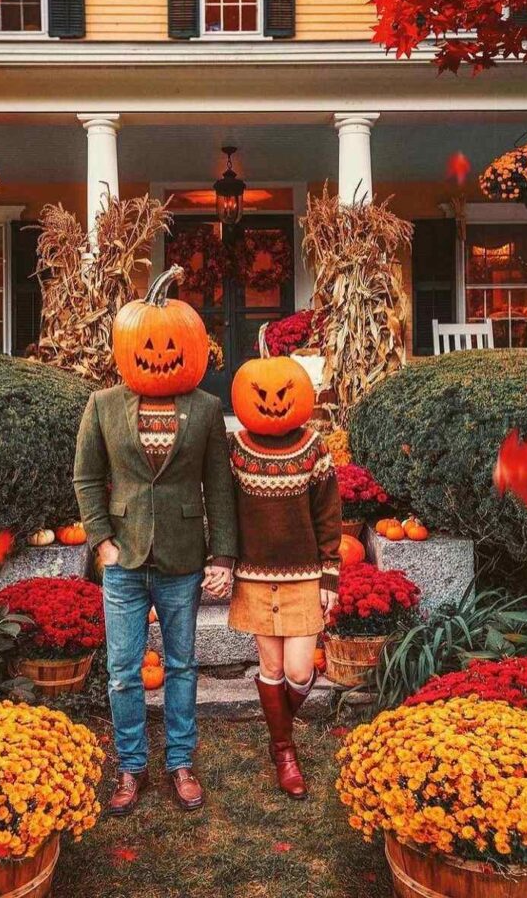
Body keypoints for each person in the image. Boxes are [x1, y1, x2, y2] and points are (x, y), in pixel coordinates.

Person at [74, 267, 237, 817]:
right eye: (148, 344)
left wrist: (224, 555)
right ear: (128, 346)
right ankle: (130, 766)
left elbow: (219, 484)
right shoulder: (102, 405)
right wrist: (101, 543)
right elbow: (87, 478)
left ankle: (181, 763)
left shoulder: (208, 409)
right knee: (122, 670)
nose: (160, 352)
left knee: (183, 665)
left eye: (171, 344)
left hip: (183, 558)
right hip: (123, 557)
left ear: (192, 347)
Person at [226, 338, 341, 799]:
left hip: (304, 576)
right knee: (271, 667)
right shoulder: (234, 451)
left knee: (298, 672)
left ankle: (279, 728)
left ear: (300, 392)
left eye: (282, 393)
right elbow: (224, 509)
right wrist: (223, 562)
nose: (273, 403)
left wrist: (330, 573)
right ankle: (284, 750)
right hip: (254, 575)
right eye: (262, 395)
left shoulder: (315, 448)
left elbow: (328, 516)